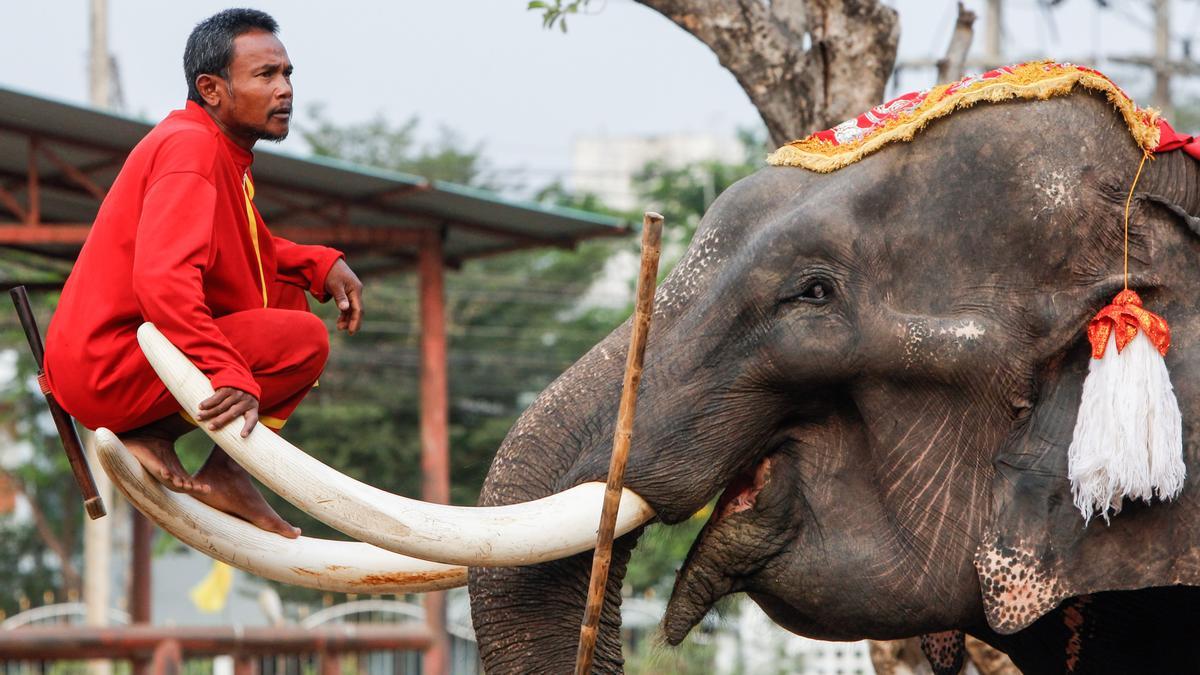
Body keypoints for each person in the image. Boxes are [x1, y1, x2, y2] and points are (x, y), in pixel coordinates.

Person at [44, 8, 363, 538]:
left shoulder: (210, 147)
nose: (284, 89)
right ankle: (153, 433)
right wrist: (226, 368)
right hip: (110, 367)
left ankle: (222, 470)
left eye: (287, 74)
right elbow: (163, 280)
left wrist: (319, 263)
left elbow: (245, 248)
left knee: (288, 301)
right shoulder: (192, 150)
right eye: (265, 76)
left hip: (118, 360)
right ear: (211, 89)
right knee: (304, 338)